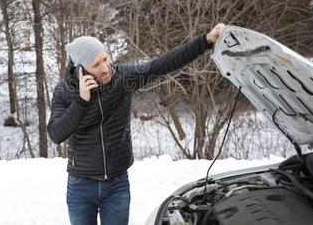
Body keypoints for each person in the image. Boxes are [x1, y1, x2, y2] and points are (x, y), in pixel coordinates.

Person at [47, 23, 226, 225]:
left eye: (105, 59)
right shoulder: (64, 91)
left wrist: (205, 41)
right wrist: (81, 102)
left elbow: (162, 64)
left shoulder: (122, 78)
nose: (106, 69)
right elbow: (55, 134)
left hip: (116, 184)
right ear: (80, 69)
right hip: (80, 186)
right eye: (96, 65)